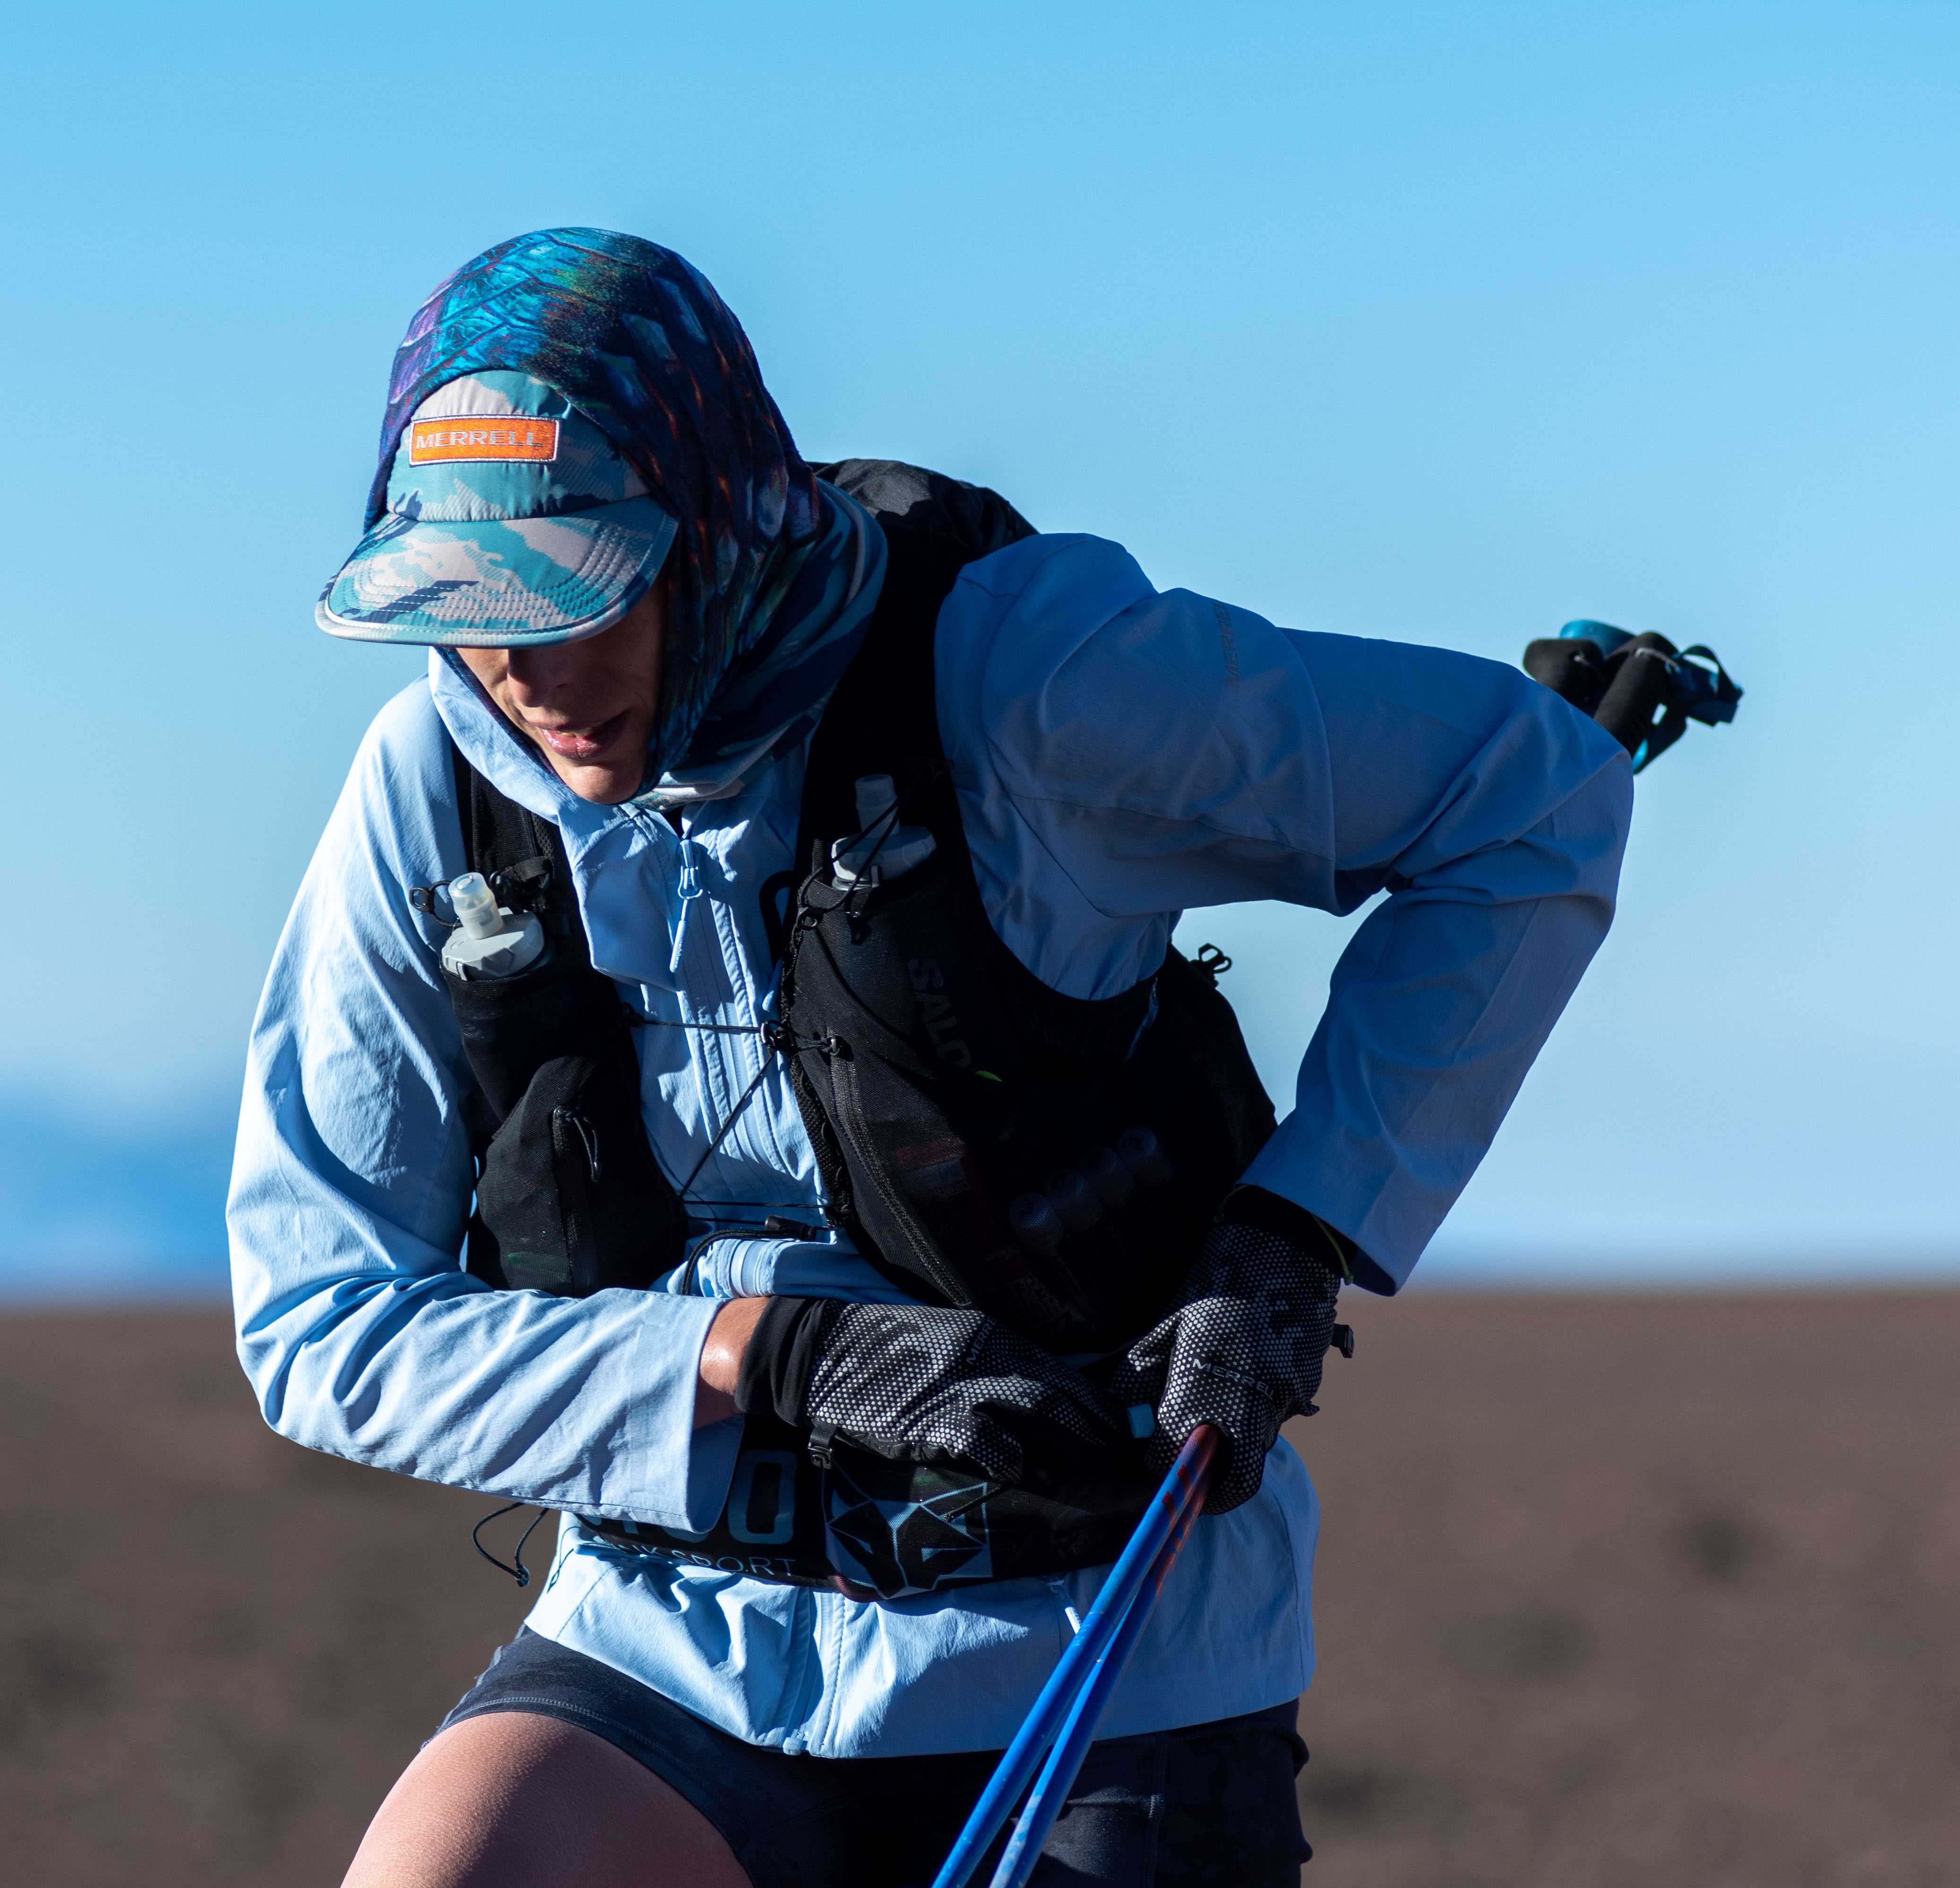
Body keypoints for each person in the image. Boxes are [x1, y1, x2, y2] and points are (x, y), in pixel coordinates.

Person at [227, 228, 1632, 1888]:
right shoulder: (438, 793)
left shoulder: (1029, 678)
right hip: (673, 1638)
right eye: (466, 615)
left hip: (1105, 1649)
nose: (523, 673)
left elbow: (1529, 796)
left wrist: (1299, 1233)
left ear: (716, 522)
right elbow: (321, 1322)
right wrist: (765, 1355)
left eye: (577, 594)